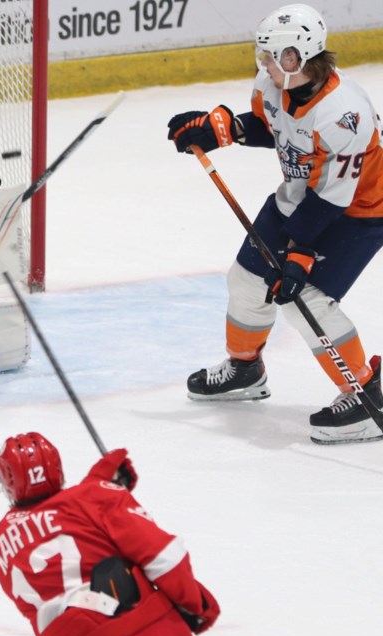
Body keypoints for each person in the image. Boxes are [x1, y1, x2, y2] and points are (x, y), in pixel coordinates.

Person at [166, 3, 383, 444]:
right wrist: (218, 129)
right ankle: (245, 370)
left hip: (360, 211)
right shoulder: (273, 84)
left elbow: (331, 199)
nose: (263, 63)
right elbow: (275, 128)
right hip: (302, 197)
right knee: (247, 281)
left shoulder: (345, 113)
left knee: (307, 298)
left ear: (295, 58)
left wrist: (299, 257)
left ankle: (365, 393)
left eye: (270, 56)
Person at [0, 433, 219, 636]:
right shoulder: (95, 497)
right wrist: (196, 605)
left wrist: (97, 484)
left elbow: (61, 521)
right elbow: (164, 559)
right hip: (142, 627)